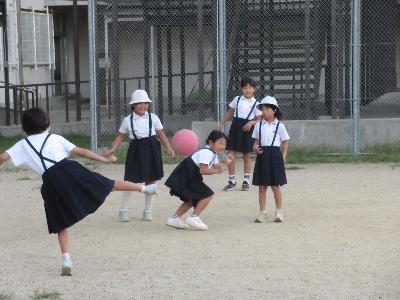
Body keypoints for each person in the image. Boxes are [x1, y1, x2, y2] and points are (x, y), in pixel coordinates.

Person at [0, 108, 157, 276]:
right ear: (48, 124)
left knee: (60, 221)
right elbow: (82, 152)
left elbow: (2, 157)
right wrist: (104, 159)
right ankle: (144, 188)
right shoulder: (54, 138)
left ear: (25, 128)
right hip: (68, 170)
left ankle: (66, 259)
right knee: (106, 184)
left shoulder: (23, 145)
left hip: (51, 182)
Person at [106, 90, 175, 222]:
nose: (143, 106)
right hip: (135, 150)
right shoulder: (127, 120)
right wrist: (113, 148)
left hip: (152, 149)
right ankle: (123, 210)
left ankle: (147, 210)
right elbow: (120, 136)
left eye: (145, 103)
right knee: (131, 181)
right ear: (133, 105)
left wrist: (169, 147)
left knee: (151, 180)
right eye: (139, 103)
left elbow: (161, 134)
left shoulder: (153, 118)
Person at [165, 130, 233, 231]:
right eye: (220, 143)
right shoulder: (207, 152)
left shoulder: (212, 153)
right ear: (211, 142)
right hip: (188, 175)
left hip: (190, 174)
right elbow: (203, 170)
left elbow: (217, 167)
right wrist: (217, 171)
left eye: (224, 144)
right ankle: (194, 217)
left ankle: (174, 218)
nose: (223, 146)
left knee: (192, 198)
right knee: (208, 195)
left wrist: (226, 163)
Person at [218, 77, 261, 191]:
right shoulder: (237, 99)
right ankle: (232, 181)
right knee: (231, 154)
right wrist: (222, 123)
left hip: (247, 130)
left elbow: (259, 119)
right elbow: (230, 113)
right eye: (245, 88)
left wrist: (252, 122)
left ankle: (246, 182)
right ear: (241, 89)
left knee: (246, 155)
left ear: (254, 89)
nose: (248, 90)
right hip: (235, 128)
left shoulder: (257, 104)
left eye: (250, 88)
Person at [252, 96, 290, 223]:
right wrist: (255, 148)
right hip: (262, 156)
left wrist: (283, 156)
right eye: (263, 109)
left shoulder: (280, 126)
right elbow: (256, 142)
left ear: (274, 110)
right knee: (262, 186)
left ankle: (279, 212)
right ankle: (262, 213)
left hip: (275, 156)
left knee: (275, 185)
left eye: (267, 109)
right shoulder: (258, 126)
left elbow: (285, 141)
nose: (264, 112)